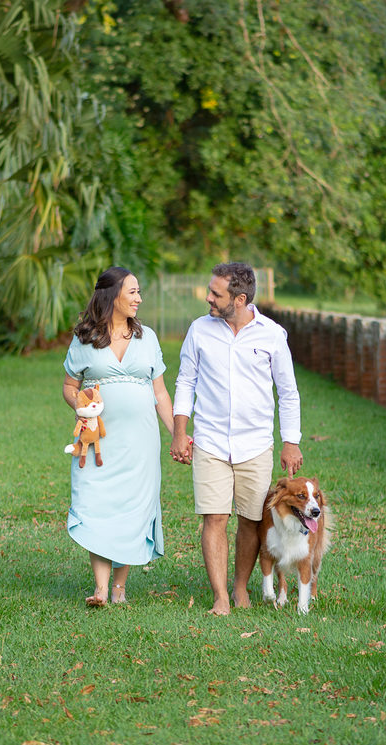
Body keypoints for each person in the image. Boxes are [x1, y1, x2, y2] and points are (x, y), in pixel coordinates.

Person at [170, 262, 303, 615]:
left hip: (255, 444)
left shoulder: (272, 335)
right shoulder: (199, 330)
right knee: (214, 517)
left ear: (240, 299)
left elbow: (287, 393)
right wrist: (180, 432)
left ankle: (240, 587)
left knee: (249, 519)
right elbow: (185, 382)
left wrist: (291, 442)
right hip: (210, 440)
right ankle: (220, 597)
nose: (208, 298)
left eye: (216, 293)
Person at [62, 267, 175, 607]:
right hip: (98, 442)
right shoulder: (84, 338)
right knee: (96, 503)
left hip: (140, 440)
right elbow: (70, 387)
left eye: (139, 292)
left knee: (133, 507)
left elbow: (161, 393)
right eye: (133, 292)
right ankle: (99, 589)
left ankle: (119, 589)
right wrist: (81, 407)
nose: (139, 299)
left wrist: (178, 433)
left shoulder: (148, 338)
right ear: (112, 296)